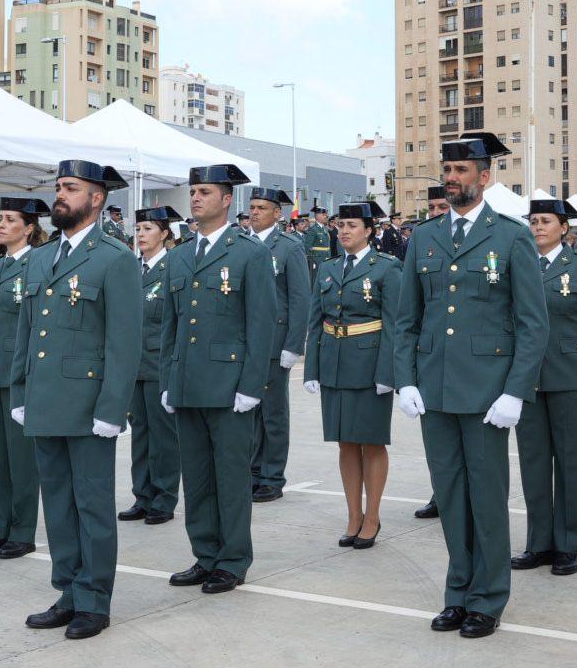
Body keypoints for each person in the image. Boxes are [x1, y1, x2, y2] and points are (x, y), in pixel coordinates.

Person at [394, 132, 546, 639]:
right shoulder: (425, 237)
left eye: (463, 172)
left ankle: (487, 597)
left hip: (487, 392)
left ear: (485, 178)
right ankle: (457, 591)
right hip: (435, 390)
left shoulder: (511, 236)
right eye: (449, 171)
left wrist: (515, 391)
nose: (453, 179)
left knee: (486, 497)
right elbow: (406, 319)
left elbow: (532, 323)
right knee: (451, 494)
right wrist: (405, 379)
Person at [8, 161, 140, 641]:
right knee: (58, 504)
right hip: (45, 399)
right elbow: (27, 333)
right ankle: (67, 590)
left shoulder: (115, 258)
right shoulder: (41, 259)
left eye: (71, 188)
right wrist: (21, 390)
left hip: (88, 405)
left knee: (92, 505)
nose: (60, 195)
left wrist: (112, 409)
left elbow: (124, 344)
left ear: (97, 198)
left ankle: (94, 599)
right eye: (59, 187)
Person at [161, 164, 276, 596]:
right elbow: (171, 327)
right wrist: (169, 380)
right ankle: (204, 554)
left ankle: (232, 559)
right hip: (188, 382)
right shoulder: (178, 256)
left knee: (230, 477)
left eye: (204, 192)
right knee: (197, 476)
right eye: (192, 191)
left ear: (227, 200)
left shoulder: (249, 253)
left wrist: (251, 385)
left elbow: (260, 324)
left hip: (229, 386)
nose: (195, 199)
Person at [513, 198, 577, 576]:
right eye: (534, 221)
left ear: (564, 228)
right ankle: (538, 543)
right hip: (529, 379)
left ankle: (568, 544)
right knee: (533, 463)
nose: (538, 227)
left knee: (571, 464)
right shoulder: (519, 265)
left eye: (546, 221)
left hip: (572, 377)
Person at [304, 201, 400, 549]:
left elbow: (395, 324)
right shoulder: (328, 269)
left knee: (371, 441)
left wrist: (388, 371)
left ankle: (372, 516)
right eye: (341, 225)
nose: (344, 231)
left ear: (370, 231)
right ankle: (353, 515)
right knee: (345, 441)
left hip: (370, 362)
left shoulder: (387, 268)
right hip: (334, 362)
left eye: (352, 226)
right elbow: (315, 321)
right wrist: (312, 368)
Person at [0, 197, 48, 559]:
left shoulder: (39, 263)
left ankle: (22, 530)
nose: (0, 224)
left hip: (18, 372)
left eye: (10, 219)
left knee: (21, 456)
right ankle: (1, 524)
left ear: (28, 227)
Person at [243, 186, 310, 503]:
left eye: (261, 207)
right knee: (249, 411)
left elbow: (300, 299)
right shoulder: (242, 244)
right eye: (252, 207)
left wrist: (293, 345)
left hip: (273, 342)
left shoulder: (288, 247)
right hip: (244, 343)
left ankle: (272, 475)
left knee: (273, 413)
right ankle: (253, 471)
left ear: (277, 213)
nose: (254, 212)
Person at [120, 205, 181, 526]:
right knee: (140, 433)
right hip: (135, 365)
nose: (141, 235)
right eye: (138, 229)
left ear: (165, 234)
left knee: (163, 435)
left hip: (161, 364)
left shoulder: (173, 267)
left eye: (148, 229)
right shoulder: (131, 268)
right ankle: (142, 495)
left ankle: (164, 496)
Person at [412, 182, 452, 522]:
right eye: (434, 208)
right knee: (437, 445)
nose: (438, 213)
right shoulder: (422, 240)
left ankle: (451, 495)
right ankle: (440, 492)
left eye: (443, 206)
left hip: (467, 359)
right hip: (432, 354)